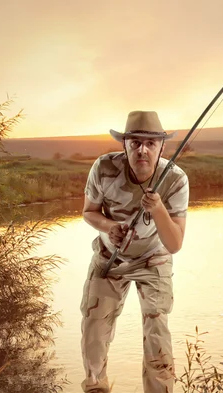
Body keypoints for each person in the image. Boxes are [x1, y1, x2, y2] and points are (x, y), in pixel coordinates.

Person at [80, 110, 189, 393]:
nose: (143, 149)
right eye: (135, 142)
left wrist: (159, 209)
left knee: (157, 334)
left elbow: (175, 244)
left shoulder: (176, 179)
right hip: (109, 258)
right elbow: (88, 213)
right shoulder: (103, 168)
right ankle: (96, 388)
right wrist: (108, 226)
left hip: (154, 259)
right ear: (124, 144)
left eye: (151, 143)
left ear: (162, 147)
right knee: (94, 330)